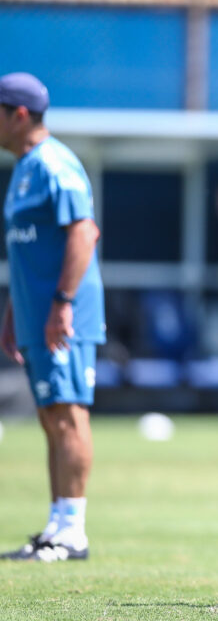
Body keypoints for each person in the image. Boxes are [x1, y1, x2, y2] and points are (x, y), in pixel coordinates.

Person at [0, 72, 105, 562]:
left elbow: (84, 233)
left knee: (67, 414)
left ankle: (74, 532)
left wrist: (62, 305)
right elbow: (27, 251)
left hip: (64, 316)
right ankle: (55, 526)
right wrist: (13, 311)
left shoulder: (54, 164)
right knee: (49, 416)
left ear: (19, 115)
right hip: (35, 314)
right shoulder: (23, 168)